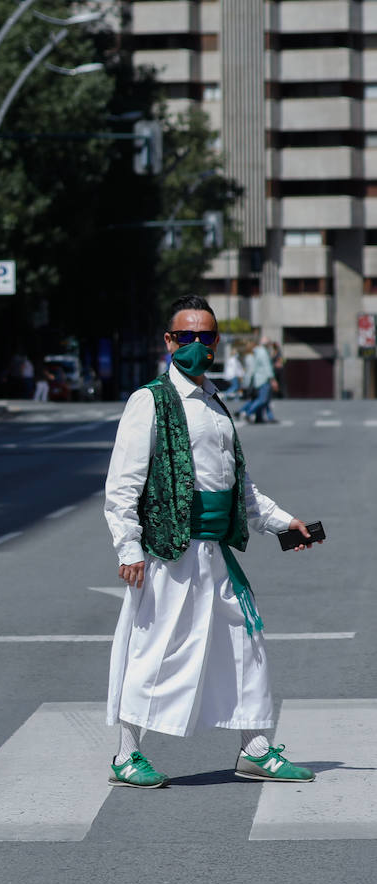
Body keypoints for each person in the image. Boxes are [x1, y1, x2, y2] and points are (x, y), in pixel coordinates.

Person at [103, 295, 319, 789]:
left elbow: (238, 488)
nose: (196, 345)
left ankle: (254, 749)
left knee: (247, 644)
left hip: (216, 555)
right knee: (155, 651)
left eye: (205, 337)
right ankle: (126, 755)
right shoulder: (151, 400)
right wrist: (129, 549)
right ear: (169, 341)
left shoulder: (217, 403)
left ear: (216, 342)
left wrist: (285, 523)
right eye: (186, 336)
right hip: (169, 553)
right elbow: (122, 485)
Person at [241, 337, 276, 423]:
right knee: (262, 399)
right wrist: (272, 379)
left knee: (263, 399)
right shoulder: (263, 352)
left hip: (258, 379)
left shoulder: (258, 351)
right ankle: (248, 413)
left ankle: (259, 418)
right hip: (263, 379)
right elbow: (267, 366)